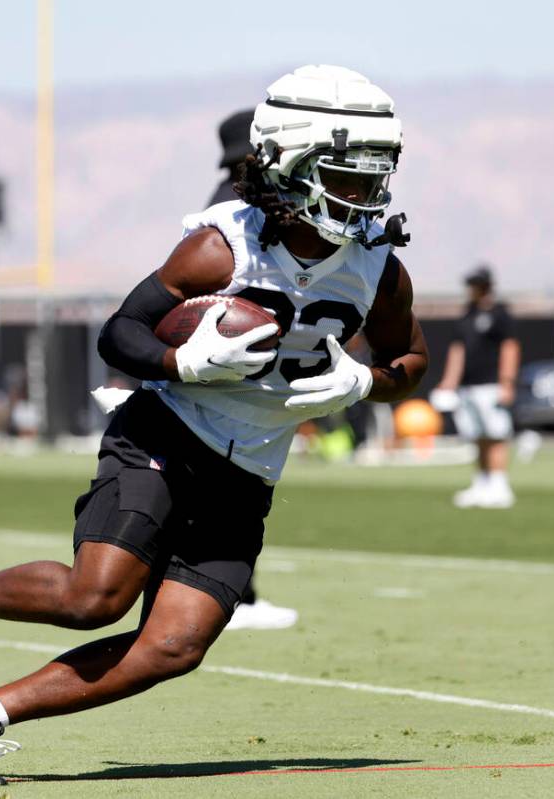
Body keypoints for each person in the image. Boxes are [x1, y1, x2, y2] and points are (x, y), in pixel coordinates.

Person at [0, 64, 428, 788]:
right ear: (292, 165)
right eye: (346, 177)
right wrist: (183, 360)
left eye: (374, 178)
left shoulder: (378, 266)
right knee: (93, 598)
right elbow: (119, 331)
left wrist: (364, 381)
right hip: (166, 429)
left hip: (250, 467)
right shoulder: (222, 248)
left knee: (174, 645)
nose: (364, 197)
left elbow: (411, 359)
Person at [210, 107, 299, 632]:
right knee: (231, 489)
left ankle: (235, 595)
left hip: (231, 369)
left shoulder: (228, 199)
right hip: (230, 371)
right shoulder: (234, 207)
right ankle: (234, 598)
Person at [434, 265, 520, 508]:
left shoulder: (500, 315)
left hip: (492, 385)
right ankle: (482, 483)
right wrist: (449, 383)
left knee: (496, 436)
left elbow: (509, 348)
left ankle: (500, 485)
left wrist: (507, 382)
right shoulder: (466, 316)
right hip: (468, 387)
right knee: (477, 437)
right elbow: (457, 351)